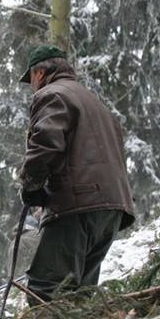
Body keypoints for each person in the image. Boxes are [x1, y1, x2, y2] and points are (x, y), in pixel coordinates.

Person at [18, 45, 136, 304]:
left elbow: (45, 143)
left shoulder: (52, 94)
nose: (32, 87)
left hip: (78, 206)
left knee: (45, 289)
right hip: (112, 209)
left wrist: (30, 186)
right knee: (80, 294)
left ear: (39, 73)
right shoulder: (96, 103)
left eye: (31, 80)